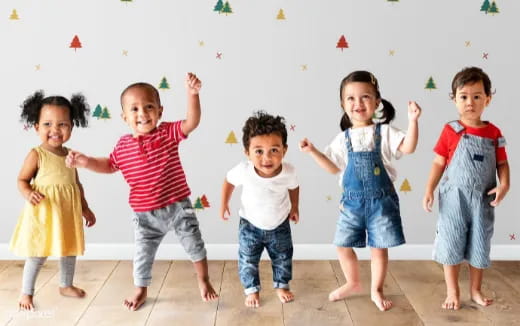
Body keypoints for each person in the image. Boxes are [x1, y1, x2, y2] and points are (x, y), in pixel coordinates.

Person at [66, 73, 218, 311]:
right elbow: (109, 165)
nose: (142, 114)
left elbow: (192, 121)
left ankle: (203, 279)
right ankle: (141, 290)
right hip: (145, 215)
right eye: (134, 109)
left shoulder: (167, 133)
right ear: (124, 117)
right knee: (142, 257)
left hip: (178, 207)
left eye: (149, 107)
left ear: (160, 111)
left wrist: (193, 94)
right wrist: (85, 162)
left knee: (195, 245)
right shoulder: (123, 146)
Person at [300, 70, 421, 311]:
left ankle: (376, 289)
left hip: (381, 203)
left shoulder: (385, 132)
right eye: (351, 98)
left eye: (365, 97)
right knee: (342, 245)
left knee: (379, 248)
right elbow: (333, 168)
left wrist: (413, 121)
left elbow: (408, 147)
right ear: (343, 104)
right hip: (352, 205)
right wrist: (313, 152)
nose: (358, 103)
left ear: (377, 101)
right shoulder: (342, 138)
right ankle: (352, 282)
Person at [423, 66, 509, 310]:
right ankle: (453, 290)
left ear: (488, 99)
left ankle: (475, 290)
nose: (469, 102)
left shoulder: (494, 133)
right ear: (454, 99)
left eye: (477, 96)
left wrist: (505, 184)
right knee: (450, 242)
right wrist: (429, 188)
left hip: (483, 200)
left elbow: (502, 164)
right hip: (454, 200)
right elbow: (439, 162)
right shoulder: (451, 131)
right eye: (463, 96)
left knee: (480, 244)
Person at [10, 91, 96, 311]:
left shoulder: (70, 155)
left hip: (66, 213)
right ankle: (26, 292)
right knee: (38, 254)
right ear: (36, 126)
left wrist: (85, 209)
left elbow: (76, 185)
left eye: (62, 124)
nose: (55, 130)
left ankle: (65, 285)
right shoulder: (37, 154)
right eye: (47, 123)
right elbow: (22, 180)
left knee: (69, 250)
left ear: (71, 127)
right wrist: (28, 193)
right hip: (44, 214)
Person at [220, 111, 299, 308]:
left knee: (283, 257)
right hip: (249, 225)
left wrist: (295, 207)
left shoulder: (289, 171)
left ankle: (282, 285)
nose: (267, 158)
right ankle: (252, 289)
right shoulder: (244, 171)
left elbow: (294, 187)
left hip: (280, 224)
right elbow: (228, 182)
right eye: (259, 151)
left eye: (274, 150)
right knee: (248, 259)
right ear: (247, 152)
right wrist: (224, 204)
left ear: (284, 149)